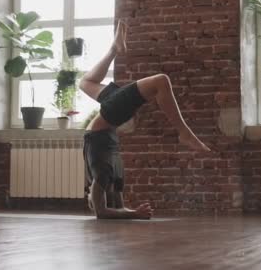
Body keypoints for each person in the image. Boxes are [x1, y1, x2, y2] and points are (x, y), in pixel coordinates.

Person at [80, 20, 211, 220]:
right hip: (108, 122)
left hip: (106, 120)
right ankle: (114, 49)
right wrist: (134, 213)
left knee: (160, 81)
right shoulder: (112, 175)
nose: (93, 195)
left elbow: (101, 213)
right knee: (87, 82)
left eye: (93, 196)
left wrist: (133, 213)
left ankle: (184, 132)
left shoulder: (101, 174)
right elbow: (115, 209)